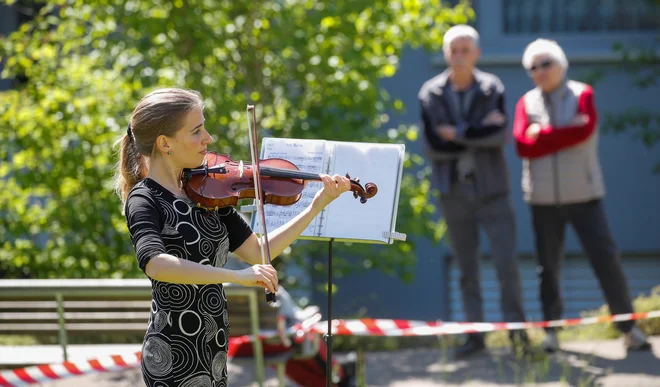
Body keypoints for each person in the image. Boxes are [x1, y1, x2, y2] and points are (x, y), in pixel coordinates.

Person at [113, 87, 352, 386]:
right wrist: (236, 277)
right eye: (196, 131)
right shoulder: (144, 198)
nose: (208, 138)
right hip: (173, 351)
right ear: (165, 143)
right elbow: (156, 264)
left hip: (213, 347)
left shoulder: (205, 192)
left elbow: (260, 251)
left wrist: (317, 205)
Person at [512, 38, 652, 353]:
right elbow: (522, 144)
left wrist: (543, 136)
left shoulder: (582, 93)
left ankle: (628, 328)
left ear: (560, 64)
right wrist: (560, 134)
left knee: (606, 260)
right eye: (533, 67)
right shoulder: (526, 102)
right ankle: (551, 332)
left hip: (585, 196)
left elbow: (583, 130)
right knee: (547, 268)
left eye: (545, 63)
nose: (540, 71)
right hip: (542, 200)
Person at [418, 24, 529, 358]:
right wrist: (476, 132)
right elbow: (434, 144)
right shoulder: (431, 93)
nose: (460, 55)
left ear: (477, 53)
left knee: (506, 265)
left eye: (466, 49)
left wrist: (458, 132)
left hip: (492, 190)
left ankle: (518, 336)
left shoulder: (491, 86)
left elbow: (498, 135)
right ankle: (475, 336)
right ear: (445, 53)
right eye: (454, 49)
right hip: (453, 191)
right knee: (466, 268)